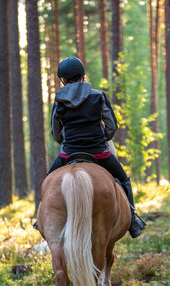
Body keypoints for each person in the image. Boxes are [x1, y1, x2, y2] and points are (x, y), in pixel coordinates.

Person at [47, 57, 146, 238]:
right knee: (123, 179)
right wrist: (103, 138)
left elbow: (55, 131)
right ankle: (133, 220)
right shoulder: (98, 96)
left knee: (47, 182)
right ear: (82, 76)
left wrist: (65, 142)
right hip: (99, 153)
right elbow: (111, 125)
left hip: (68, 153)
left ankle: (42, 219)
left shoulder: (59, 101)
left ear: (63, 79)